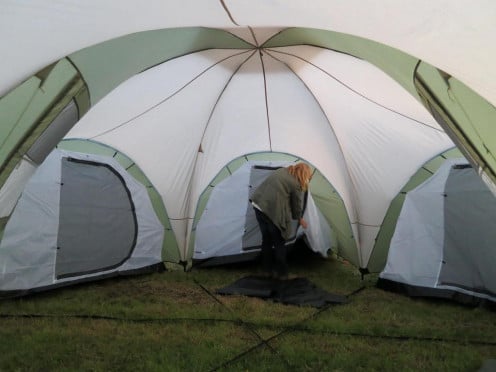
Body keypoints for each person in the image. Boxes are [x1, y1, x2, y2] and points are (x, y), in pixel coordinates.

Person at [250, 163, 312, 280]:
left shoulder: (282, 171)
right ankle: (282, 274)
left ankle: (266, 271)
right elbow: (296, 205)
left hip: (258, 205)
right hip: (270, 212)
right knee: (279, 243)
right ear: (304, 174)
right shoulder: (296, 184)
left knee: (266, 240)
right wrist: (300, 218)